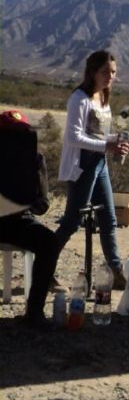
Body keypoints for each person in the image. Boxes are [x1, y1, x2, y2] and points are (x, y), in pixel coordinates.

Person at [55, 50, 129, 290]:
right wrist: (107, 145)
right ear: (92, 72)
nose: (110, 76)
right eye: (105, 72)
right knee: (72, 222)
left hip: (100, 164)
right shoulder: (79, 98)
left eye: (113, 72)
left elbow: (97, 133)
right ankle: (45, 268)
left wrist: (117, 140)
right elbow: (74, 136)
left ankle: (117, 271)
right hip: (82, 167)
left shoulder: (103, 98)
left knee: (108, 219)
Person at [0, 110, 60, 330]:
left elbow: (42, 204)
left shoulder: (35, 160)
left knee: (49, 242)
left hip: (18, 222)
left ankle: (34, 312)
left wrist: (23, 202)